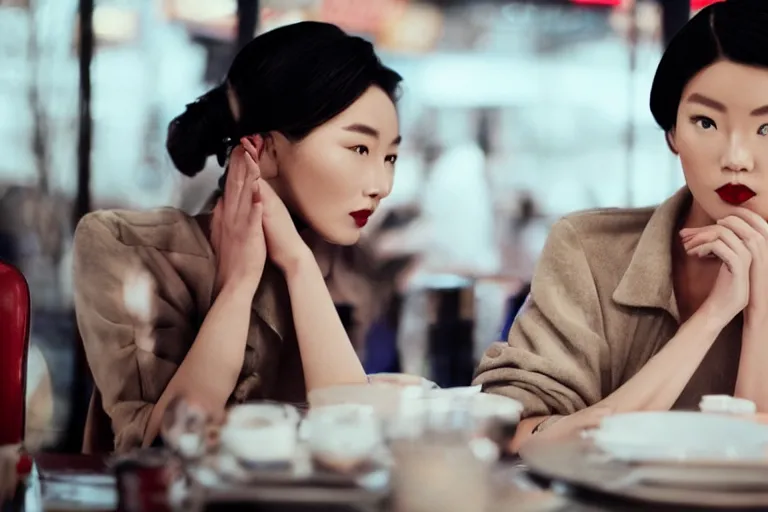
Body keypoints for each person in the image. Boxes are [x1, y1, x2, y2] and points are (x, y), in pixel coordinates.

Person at [72, 21, 402, 453]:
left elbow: (353, 445)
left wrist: (299, 266)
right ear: (261, 149)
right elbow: (161, 452)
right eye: (359, 149)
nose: (382, 184)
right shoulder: (128, 247)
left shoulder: (336, 268)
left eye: (391, 156)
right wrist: (238, 286)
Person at [473, 0, 768, 450]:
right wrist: (712, 316)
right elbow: (512, 431)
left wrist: (759, 314)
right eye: (704, 122)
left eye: (767, 129)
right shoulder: (589, 251)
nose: (735, 159)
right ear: (672, 133)